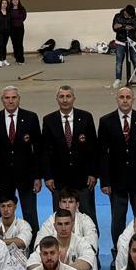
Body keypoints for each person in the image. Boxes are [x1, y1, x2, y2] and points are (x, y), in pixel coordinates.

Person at [99, 85, 136, 257]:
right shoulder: (106, 121)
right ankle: (118, 254)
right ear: (116, 99)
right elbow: (102, 154)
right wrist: (105, 181)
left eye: (128, 97)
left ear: (133, 99)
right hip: (116, 182)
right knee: (118, 219)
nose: (125, 100)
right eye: (122, 97)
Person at [0, 86, 42, 235]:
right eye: (7, 98)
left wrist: (38, 176)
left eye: (13, 97)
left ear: (19, 99)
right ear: (2, 100)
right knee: (5, 215)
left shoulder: (31, 118)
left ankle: (34, 246)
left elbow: (38, 150)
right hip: (3, 177)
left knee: (30, 215)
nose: (10, 101)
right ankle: (3, 245)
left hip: (27, 176)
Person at [41, 85, 100, 225]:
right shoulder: (49, 120)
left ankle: (92, 240)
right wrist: (48, 176)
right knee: (61, 218)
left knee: (88, 216)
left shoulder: (86, 117)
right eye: (61, 96)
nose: (65, 100)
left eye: (68, 96)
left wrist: (93, 173)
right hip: (59, 179)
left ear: (74, 98)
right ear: (57, 99)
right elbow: (44, 151)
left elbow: (93, 148)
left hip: (83, 179)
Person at [111, 5, 136, 87]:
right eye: (129, 15)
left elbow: (134, 28)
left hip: (132, 42)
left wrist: (121, 25)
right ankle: (118, 79)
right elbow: (114, 28)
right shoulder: (117, 16)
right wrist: (125, 26)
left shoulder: (135, 17)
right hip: (120, 42)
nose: (131, 17)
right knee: (119, 62)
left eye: (132, 15)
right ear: (125, 12)